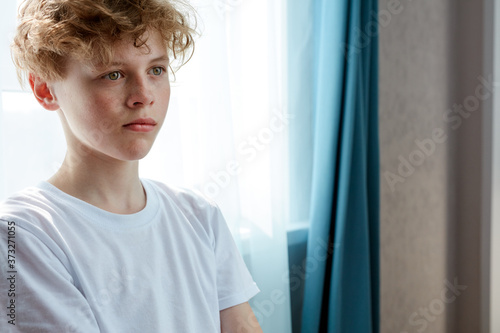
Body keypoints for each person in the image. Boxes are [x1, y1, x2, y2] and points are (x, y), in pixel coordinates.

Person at [0, 0, 263, 332]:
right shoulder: (19, 234)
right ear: (44, 89)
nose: (143, 95)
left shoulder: (199, 215)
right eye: (113, 74)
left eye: (156, 70)